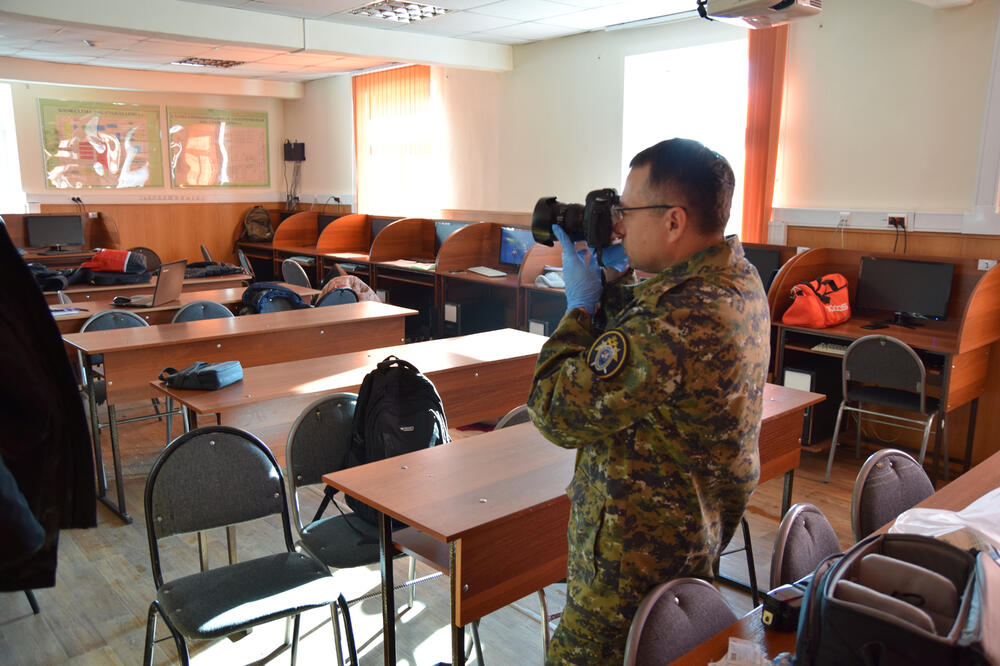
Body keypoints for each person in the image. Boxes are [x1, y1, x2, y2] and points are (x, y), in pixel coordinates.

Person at [527, 138, 770, 664]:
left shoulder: (676, 319)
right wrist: (616, 282)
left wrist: (578, 309)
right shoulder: (738, 279)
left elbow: (552, 408)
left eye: (628, 211)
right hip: (691, 538)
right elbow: (651, 342)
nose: (618, 227)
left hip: (631, 565)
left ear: (674, 221)